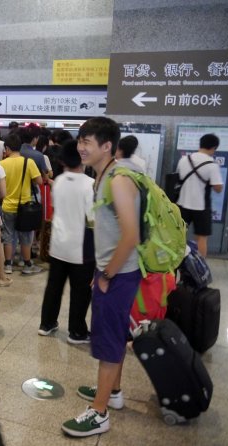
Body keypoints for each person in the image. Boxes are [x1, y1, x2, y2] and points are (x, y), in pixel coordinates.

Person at [62, 117, 142, 437]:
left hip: (119, 272)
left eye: (88, 142)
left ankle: (99, 411)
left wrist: (107, 273)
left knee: (107, 341)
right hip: (117, 269)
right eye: (80, 140)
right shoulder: (108, 173)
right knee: (117, 334)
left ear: (106, 146)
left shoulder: (117, 180)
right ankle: (114, 392)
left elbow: (131, 234)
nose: (81, 147)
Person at [38, 140, 95, 343]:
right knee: (81, 292)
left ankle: (47, 323)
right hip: (81, 248)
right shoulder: (89, 185)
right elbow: (92, 219)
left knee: (54, 287)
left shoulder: (60, 181)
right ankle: (77, 332)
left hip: (58, 245)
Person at [0, 133, 43, 275]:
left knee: (8, 235)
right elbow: (39, 181)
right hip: (25, 207)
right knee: (25, 237)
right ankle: (27, 265)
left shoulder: (2, 164)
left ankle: (8, 265)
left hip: (7, 206)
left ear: (7, 148)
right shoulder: (28, 162)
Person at [175, 133, 223, 257]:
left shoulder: (184, 159)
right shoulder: (212, 165)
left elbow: (178, 178)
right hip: (201, 207)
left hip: (181, 204)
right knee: (202, 238)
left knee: (178, 235)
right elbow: (218, 188)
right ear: (213, 148)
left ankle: (175, 263)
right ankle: (200, 266)